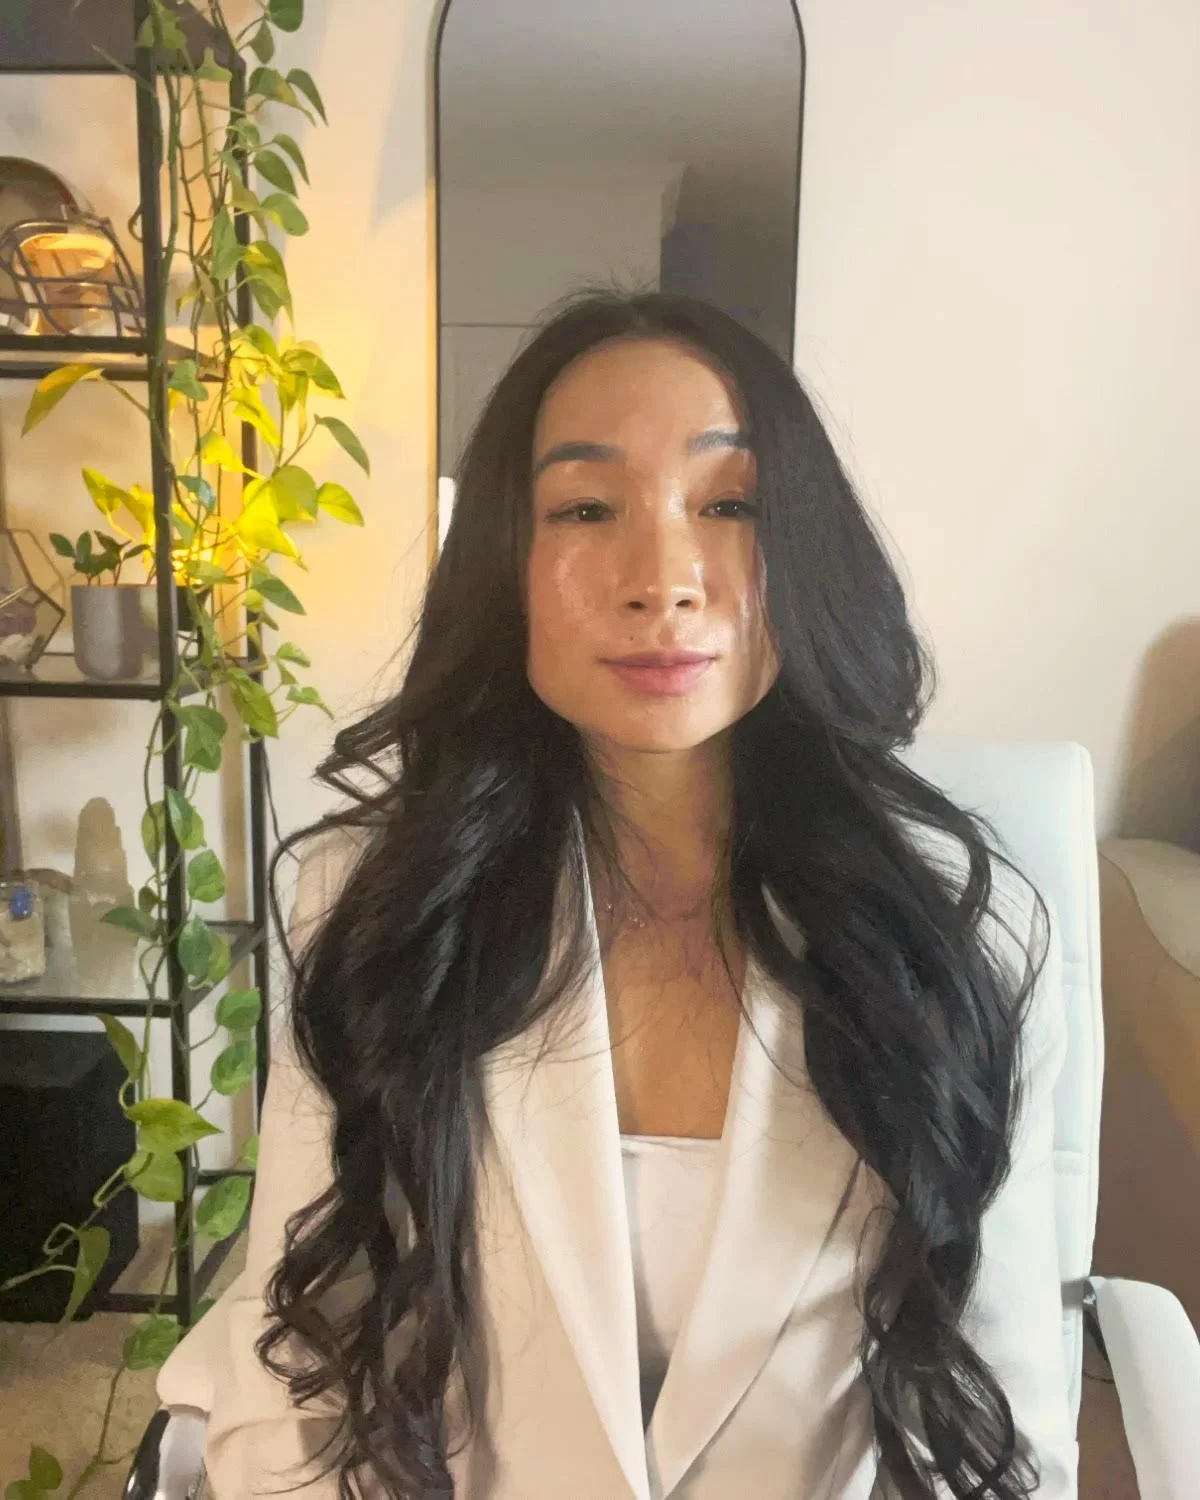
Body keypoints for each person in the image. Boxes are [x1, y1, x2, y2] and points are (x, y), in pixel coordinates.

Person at [156, 289, 1077, 1499]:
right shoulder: (372, 904)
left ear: (807, 549)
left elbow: (996, 1407)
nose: (663, 580)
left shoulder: (961, 933)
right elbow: (296, 1370)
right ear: (507, 567)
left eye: (730, 504)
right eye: (587, 507)